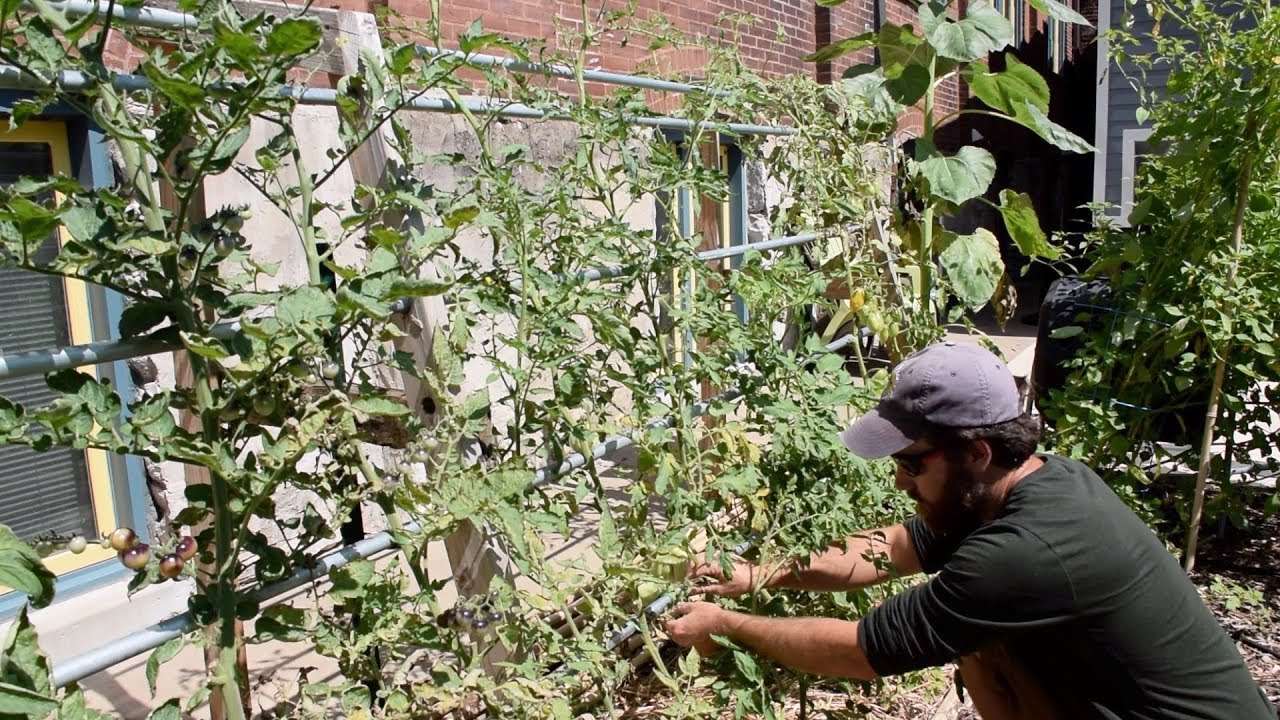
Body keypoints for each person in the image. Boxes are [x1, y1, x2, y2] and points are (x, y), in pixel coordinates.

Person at [664, 341, 1274, 719]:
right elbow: (892, 549)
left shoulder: (1024, 552)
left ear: (977, 453)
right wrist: (757, 575)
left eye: (911, 463)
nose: (900, 482)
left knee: (975, 642)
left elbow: (861, 651)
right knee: (982, 645)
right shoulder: (1028, 485)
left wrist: (726, 626)